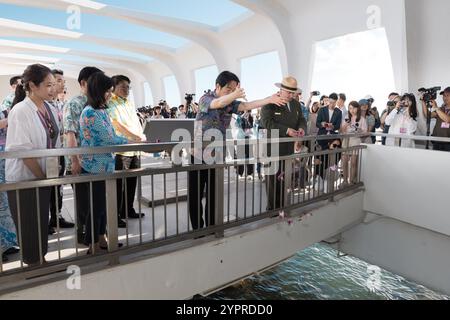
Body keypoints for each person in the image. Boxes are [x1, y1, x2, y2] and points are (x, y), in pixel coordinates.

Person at [189, 71, 287, 230]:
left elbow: (248, 105)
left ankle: (212, 228)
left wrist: (269, 99)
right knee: (196, 196)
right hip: (198, 155)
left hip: (216, 156)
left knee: (214, 195)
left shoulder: (231, 103)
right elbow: (218, 103)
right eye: (229, 89)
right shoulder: (205, 99)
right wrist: (234, 95)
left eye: (234, 90)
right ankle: (198, 230)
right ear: (218, 86)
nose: (232, 93)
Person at [6, 64, 60, 266]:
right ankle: (34, 264)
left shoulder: (49, 108)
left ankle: (40, 260)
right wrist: (42, 177)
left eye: (54, 84)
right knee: (29, 223)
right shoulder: (20, 111)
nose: (54, 89)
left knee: (40, 221)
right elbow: (22, 151)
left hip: (43, 176)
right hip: (26, 178)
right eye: (48, 85)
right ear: (32, 86)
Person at [79, 72, 139, 254]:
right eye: (107, 91)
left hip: (105, 166)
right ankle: (93, 244)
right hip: (94, 167)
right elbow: (108, 138)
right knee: (95, 208)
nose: (109, 95)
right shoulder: (89, 112)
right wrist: (132, 141)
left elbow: (110, 135)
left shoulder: (101, 110)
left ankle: (101, 239)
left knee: (102, 207)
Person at [63, 66, 102, 242]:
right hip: (81, 162)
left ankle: (98, 237)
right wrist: (75, 161)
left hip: (96, 163)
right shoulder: (74, 104)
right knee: (84, 205)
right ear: (83, 83)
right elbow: (70, 134)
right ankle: (84, 238)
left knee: (97, 204)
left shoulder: (96, 102)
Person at [261, 76, 307, 212]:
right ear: (281, 90)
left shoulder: (296, 104)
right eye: (288, 92)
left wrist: (302, 128)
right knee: (272, 182)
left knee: (284, 180)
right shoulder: (269, 103)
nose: (291, 95)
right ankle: (272, 210)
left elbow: (301, 119)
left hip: (288, 150)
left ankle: (282, 207)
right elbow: (267, 123)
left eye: (293, 93)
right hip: (272, 149)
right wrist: (287, 130)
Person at [107, 75, 146, 228]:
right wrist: (134, 136)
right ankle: (115, 215)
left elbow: (135, 122)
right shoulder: (111, 102)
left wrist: (141, 135)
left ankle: (127, 209)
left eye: (128, 87)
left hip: (134, 148)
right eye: (123, 86)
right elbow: (116, 124)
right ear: (113, 87)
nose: (126, 89)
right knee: (118, 185)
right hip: (121, 149)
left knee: (132, 181)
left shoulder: (129, 102)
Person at [48, 69, 74, 233]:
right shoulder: (43, 105)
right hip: (49, 154)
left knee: (58, 187)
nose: (63, 83)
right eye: (58, 80)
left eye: (63, 80)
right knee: (47, 187)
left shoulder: (60, 104)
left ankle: (56, 217)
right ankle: (44, 221)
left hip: (61, 151)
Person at [340, 101, 368, 185]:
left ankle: (351, 180)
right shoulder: (346, 117)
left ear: (357, 108)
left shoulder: (362, 119)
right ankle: (344, 180)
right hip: (346, 140)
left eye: (354, 108)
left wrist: (360, 131)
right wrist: (346, 125)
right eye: (350, 108)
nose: (352, 110)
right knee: (344, 162)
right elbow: (342, 130)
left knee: (353, 162)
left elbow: (365, 132)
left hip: (356, 140)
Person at [422, 87, 450, 151]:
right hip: (437, 140)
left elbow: (447, 120)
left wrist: (436, 107)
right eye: (444, 96)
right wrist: (423, 102)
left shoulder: (438, 109)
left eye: (447, 95)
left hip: (448, 142)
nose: (445, 98)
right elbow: (427, 115)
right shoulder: (441, 109)